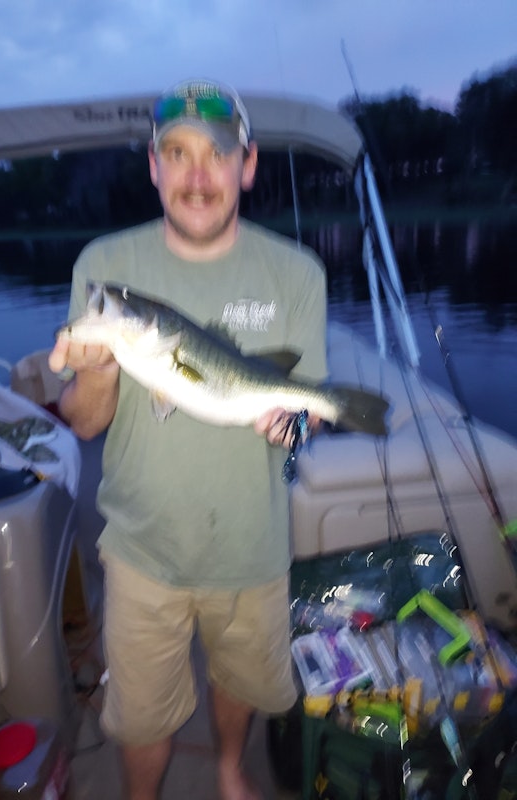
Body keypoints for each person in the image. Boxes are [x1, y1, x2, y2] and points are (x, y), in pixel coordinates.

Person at [48, 78, 328, 800]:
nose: (197, 176)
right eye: (177, 154)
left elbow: (304, 415)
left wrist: (295, 420)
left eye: (216, 154)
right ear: (153, 165)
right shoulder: (104, 267)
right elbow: (84, 421)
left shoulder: (297, 273)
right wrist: (99, 370)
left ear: (248, 165)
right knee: (141, 715)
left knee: (240, 682)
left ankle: (231, 770)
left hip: (251, 545)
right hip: (143, 550)